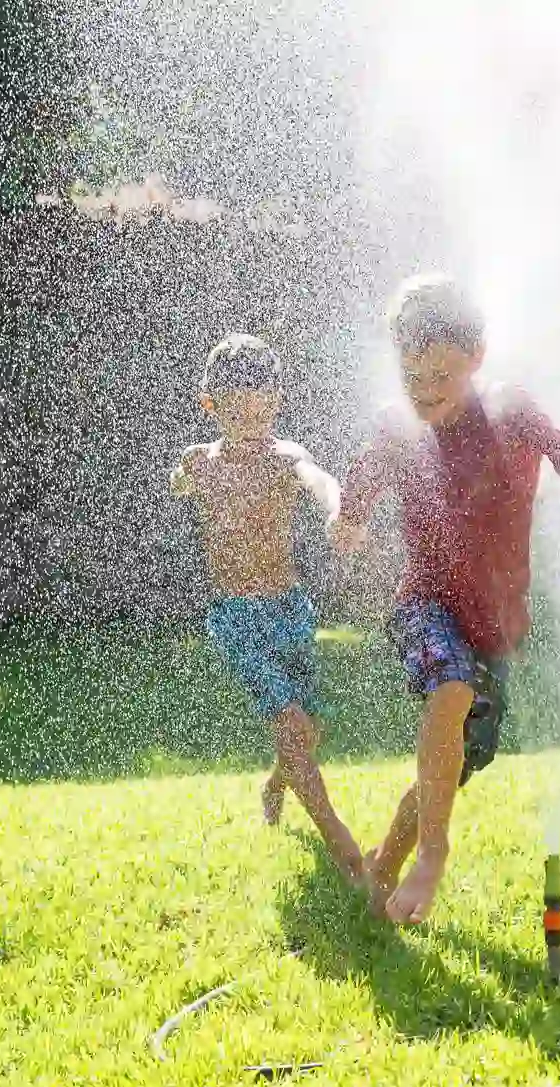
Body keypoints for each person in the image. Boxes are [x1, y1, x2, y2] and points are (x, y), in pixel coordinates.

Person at [331, 274, 560, 924]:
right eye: (412, 373)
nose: (428, 387)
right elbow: (359, 487)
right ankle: (431, 858)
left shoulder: (508, 410)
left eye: (442, 371)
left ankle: (382, 870)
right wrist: (348, 520)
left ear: (478, 356)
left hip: (493, 627)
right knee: (450, 688)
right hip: (424, 604)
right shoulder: (397, 428)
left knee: (452, 765)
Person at [171, 333, 364, 884]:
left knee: (310, 727)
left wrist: (337, 513)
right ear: (211, 405)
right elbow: (180, 480)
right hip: (235, 618)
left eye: (262, 406)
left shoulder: (286, 457)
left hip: (290, 610)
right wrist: (183, 477)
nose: (253, 420)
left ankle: (276, 782)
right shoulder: (202, 463)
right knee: (291, 721)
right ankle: (345, 849)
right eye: (238, 409)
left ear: (277, 401)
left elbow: (320, 480)